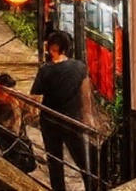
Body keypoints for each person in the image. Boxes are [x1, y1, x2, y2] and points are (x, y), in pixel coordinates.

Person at [30, 31, 93, 191]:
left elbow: (35, 98)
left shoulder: (45, 70)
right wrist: (87, 117)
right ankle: (92, 187)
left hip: (50, 121)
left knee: (55, 162)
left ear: (52, 48)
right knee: (83, 161)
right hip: (73, 120)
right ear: (66, 48)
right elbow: (85, 95)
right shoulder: (80, 67)